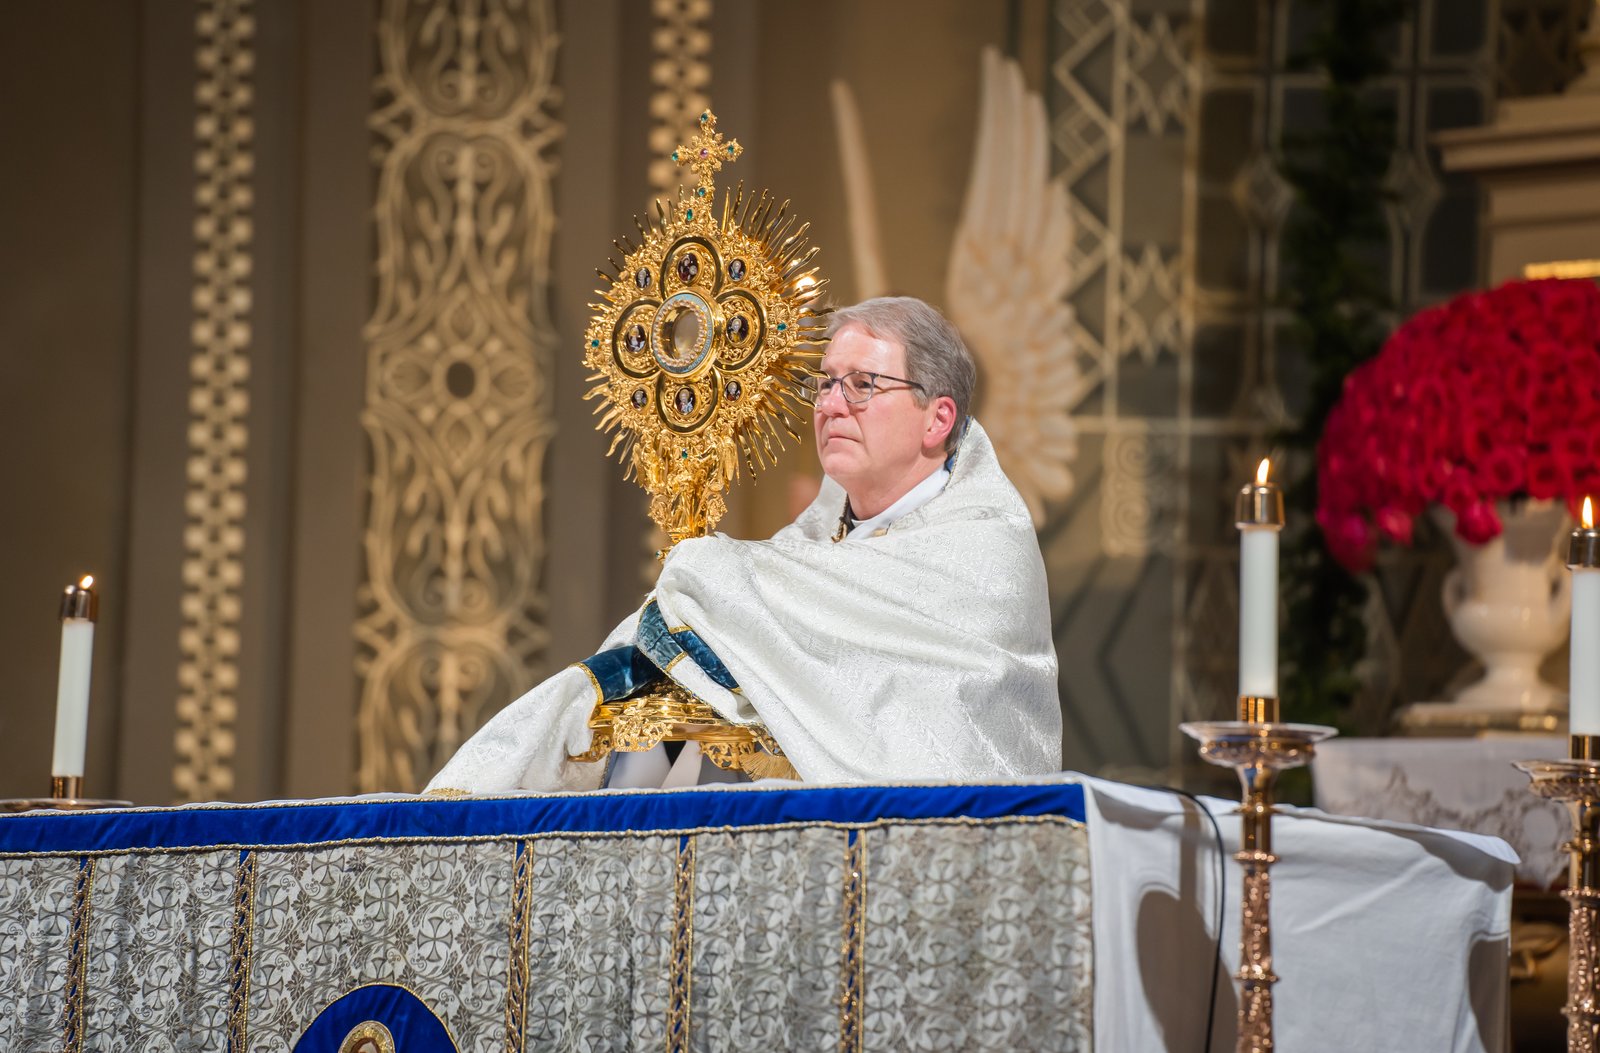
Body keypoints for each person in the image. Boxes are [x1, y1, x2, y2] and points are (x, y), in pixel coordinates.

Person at [426, 296, 1061, 793]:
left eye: (863, 385)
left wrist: (703, 569)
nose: (832, 405)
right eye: (825, 383)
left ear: (938, 418)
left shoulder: (983, 552)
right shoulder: (801, 558)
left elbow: (941, 741)